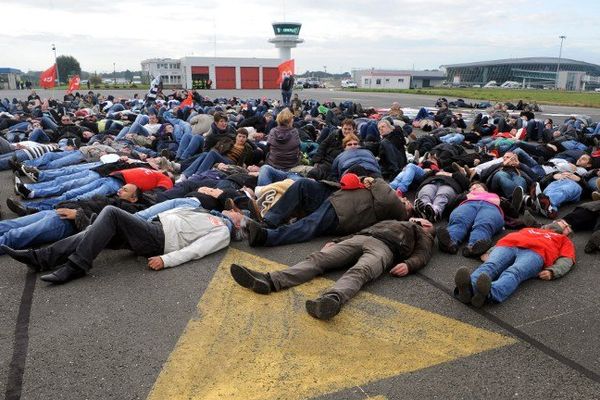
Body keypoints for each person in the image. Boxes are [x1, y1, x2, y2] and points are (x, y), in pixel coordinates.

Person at [230, 218, 435, 320]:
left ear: (429, 228)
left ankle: (331, 300)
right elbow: (362, 231)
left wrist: (409, 264)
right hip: (361, 238)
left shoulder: (423, 234)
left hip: (385, 249)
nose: (417, 220)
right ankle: (270, 280)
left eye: (423, 222)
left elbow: (423, 255)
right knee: (319, 259)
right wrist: (337, 241)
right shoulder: (392, 221)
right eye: (416, 219)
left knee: (360, 271)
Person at [3, 205, 246, 284]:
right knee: (92, 230)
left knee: (110, 212)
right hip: (152, 228)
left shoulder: (222, 230)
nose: (231, 210)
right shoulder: (206, 211)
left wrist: (168, 260)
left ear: (238, 224)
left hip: (160, 239)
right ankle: (41, 258)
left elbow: (198, 250)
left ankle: (77, 265)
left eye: (236, 213)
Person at [246, 174, 412, 247]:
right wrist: (365, 179)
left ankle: (266, 237)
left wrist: (374, 181)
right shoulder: (383, 193)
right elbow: (368, 182)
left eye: (408, 201)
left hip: (345, 210)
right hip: (337, 194)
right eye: (405, 198)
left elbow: (385, 196)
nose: (404, 199)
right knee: (303, 185)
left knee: (309, 225)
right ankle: (269, 221)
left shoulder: (399, 210)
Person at [453, 221, 575, 307]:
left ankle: (489, 293)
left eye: (566, 227)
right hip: (509, 245)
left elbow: (567, 259)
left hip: (536, 253)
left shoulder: (564, 240)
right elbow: (509, 237)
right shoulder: (530, 229)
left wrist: (553, 271)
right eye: (562, 222)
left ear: (567, 233)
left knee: (514, 272)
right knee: (490, 265)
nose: (564, 224)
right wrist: (490, 251)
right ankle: (469, 289)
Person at [437, 182, 504, 257]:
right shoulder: (466, 195)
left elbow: (512, 211)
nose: (474, 187)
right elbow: (452, 203)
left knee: (485, 223)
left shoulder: (495, 196)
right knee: (459, 219)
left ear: (485, 189)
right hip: (468, 204)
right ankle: (449, 241)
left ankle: (475, 246)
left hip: (491, 207)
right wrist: (464, 196)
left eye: (477, 186)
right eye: (472, 187)